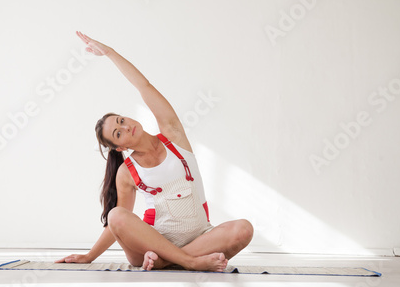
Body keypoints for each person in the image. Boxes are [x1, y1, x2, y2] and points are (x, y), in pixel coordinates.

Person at [55, 31, 253, 272]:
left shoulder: (173, 136)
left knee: (243, 229)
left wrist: (110, 53)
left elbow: (143, 85)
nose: (126, 126)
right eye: (119, 133)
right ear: (121, 147)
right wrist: (89, 256)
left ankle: (167, 262)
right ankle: (189, 261)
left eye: (121, 120)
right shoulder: (127, 172)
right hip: (151, 245)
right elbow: (118, 225)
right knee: (117, 214)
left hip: (201, 237)